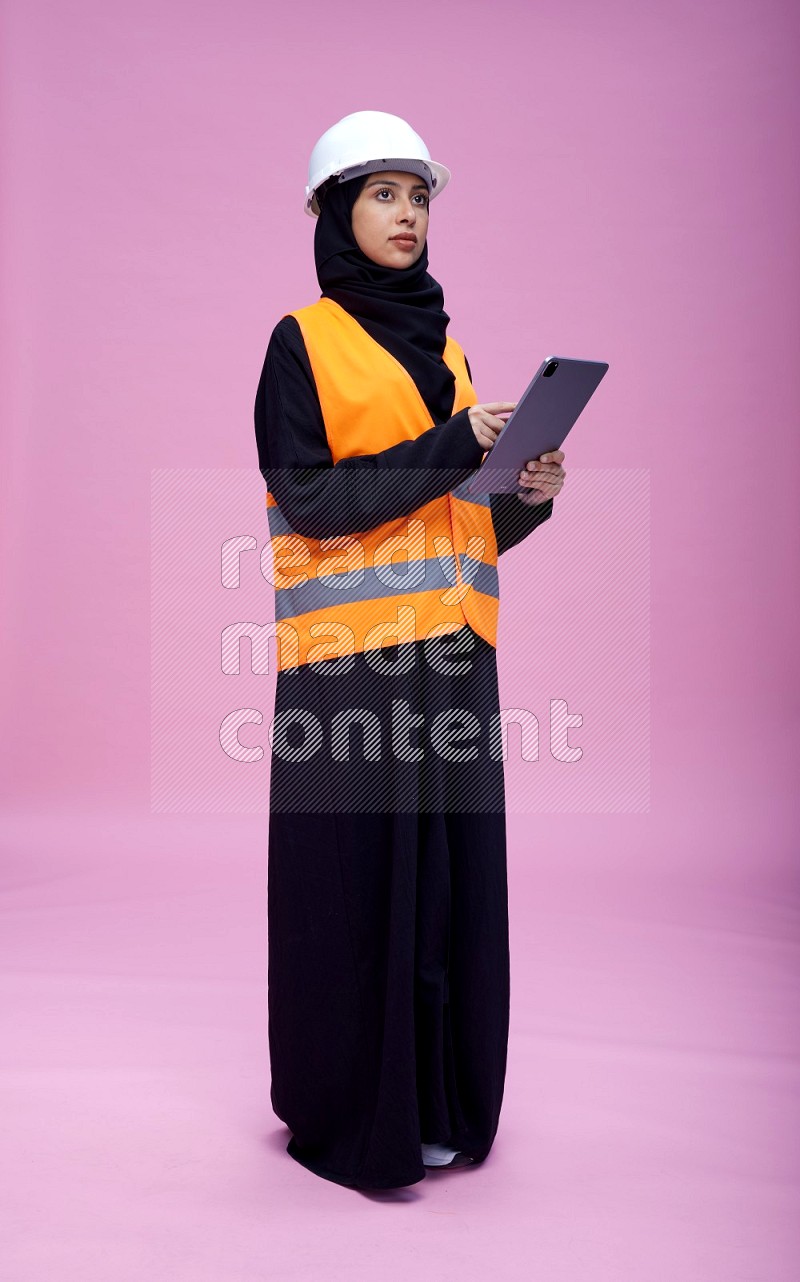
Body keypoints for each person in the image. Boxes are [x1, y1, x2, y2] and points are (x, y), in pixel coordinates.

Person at [253, 111, 566, 1190]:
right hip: (350, 671)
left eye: (418, 196)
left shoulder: (448, 346)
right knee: (357, 894)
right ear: (333, 210)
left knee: (444, 895)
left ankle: (435, 1104)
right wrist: (451, 443)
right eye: (382, 193)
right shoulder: (302, 340)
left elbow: (452, 519)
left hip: (452, 663)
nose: (406, 214)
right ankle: (353, 1118)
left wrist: (521, 497)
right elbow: (307, 500)